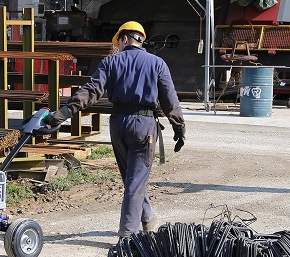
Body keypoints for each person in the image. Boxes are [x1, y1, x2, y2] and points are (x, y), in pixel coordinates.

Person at [44, 21, 185, 237]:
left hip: (118, 124)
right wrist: (179, 127)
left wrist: (63, 113)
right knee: (135, 180)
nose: (117, 46)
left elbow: (91, 90)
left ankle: (148, 220)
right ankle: (127, 236)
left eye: (118, 42)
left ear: (125, 39)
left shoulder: (110, 62)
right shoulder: (157, 63)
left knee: (133, 178)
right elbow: (170, 100)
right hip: (144, 126)